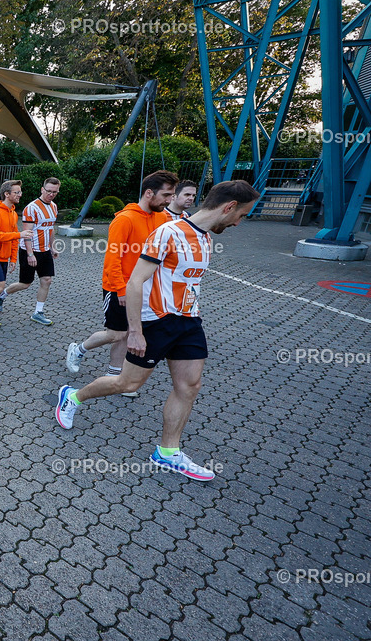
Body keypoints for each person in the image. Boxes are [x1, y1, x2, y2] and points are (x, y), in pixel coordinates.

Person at [55, 181, 259, 481]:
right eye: (241, 215)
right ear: (228, 207)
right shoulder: (169, 232)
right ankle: (72, 397)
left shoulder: (205, 239)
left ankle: (167, 452)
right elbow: (136, 281)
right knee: (127, 384)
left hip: (189, 322)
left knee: (190, 386)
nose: (239, 222)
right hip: (155, 323)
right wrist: (135, 332)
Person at [65, 171, 179, 397]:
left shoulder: (162, 217)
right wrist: (120, 290)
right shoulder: (124, 219)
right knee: (116, 334)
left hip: (144, 287)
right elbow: (112, 260)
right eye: (166, 195)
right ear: (149, 193)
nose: (169, 200)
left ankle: (115, 374)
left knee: (129, 333)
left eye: (172, 195)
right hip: (119, 287)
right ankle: (78, 349)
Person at [0, 177, 61, 325]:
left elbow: (50, 229)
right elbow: (27, 233)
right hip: (29, 251)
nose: (51, 194)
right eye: (48, 191)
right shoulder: (31, 208)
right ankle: (2, 295)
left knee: (47, 280)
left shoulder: (54, 207)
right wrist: (30, 254)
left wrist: (53, 247)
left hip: (45, 251)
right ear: (42, 189)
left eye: (54, 192)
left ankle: (38, 312)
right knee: (25, 283)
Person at [0, 180, 35, 329]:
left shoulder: (13, 214)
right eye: (16, 192)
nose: (20, 195)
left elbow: (15, 238)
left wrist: (13, 259)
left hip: (3, 256)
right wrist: (19, 234)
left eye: (20, 192)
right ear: (7, 194)